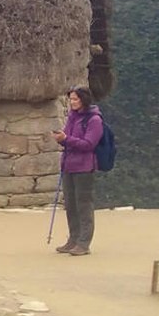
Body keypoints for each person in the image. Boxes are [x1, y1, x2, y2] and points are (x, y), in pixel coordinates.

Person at [53, 87, 105, 256]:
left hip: (84, 167)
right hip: (68, 166)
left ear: (84, 100)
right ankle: (73, 239)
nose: (73, 102)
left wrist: (67, 139)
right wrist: (62, 139)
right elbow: (68, 139)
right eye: (71, 99)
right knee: (70, 204)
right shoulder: (72, 117)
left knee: (83, 205)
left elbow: (89, 144)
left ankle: (84, 243)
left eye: (76, 99)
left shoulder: (94, 120)